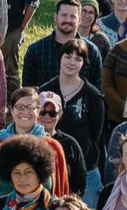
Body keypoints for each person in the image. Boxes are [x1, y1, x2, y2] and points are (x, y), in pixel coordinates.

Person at [42, 41, 106, 184]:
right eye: (68, 56)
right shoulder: (45, 91)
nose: (72, 62)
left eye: (78, 59)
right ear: (60, 58)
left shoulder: (94, 96)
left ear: (84, 63)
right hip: (49, 168)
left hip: (85, 169)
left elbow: (96, 135)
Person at [23, 0, 101, 103]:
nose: (68, 20)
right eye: (64, 15)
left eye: (73, 16)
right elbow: (28, 90)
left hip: (80, 114)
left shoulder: (91, 51)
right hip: (45, 113)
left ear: (80, 20)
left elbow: (97, 91)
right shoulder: (36, 50)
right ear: (56, 17)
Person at [35, 92, 93, 199]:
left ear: (60, 114)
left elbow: (81, 178)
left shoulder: (70, 143)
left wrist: (70, 201)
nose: (47, 116)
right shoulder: (25, 140)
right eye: (42, 112)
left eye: (52, 113)